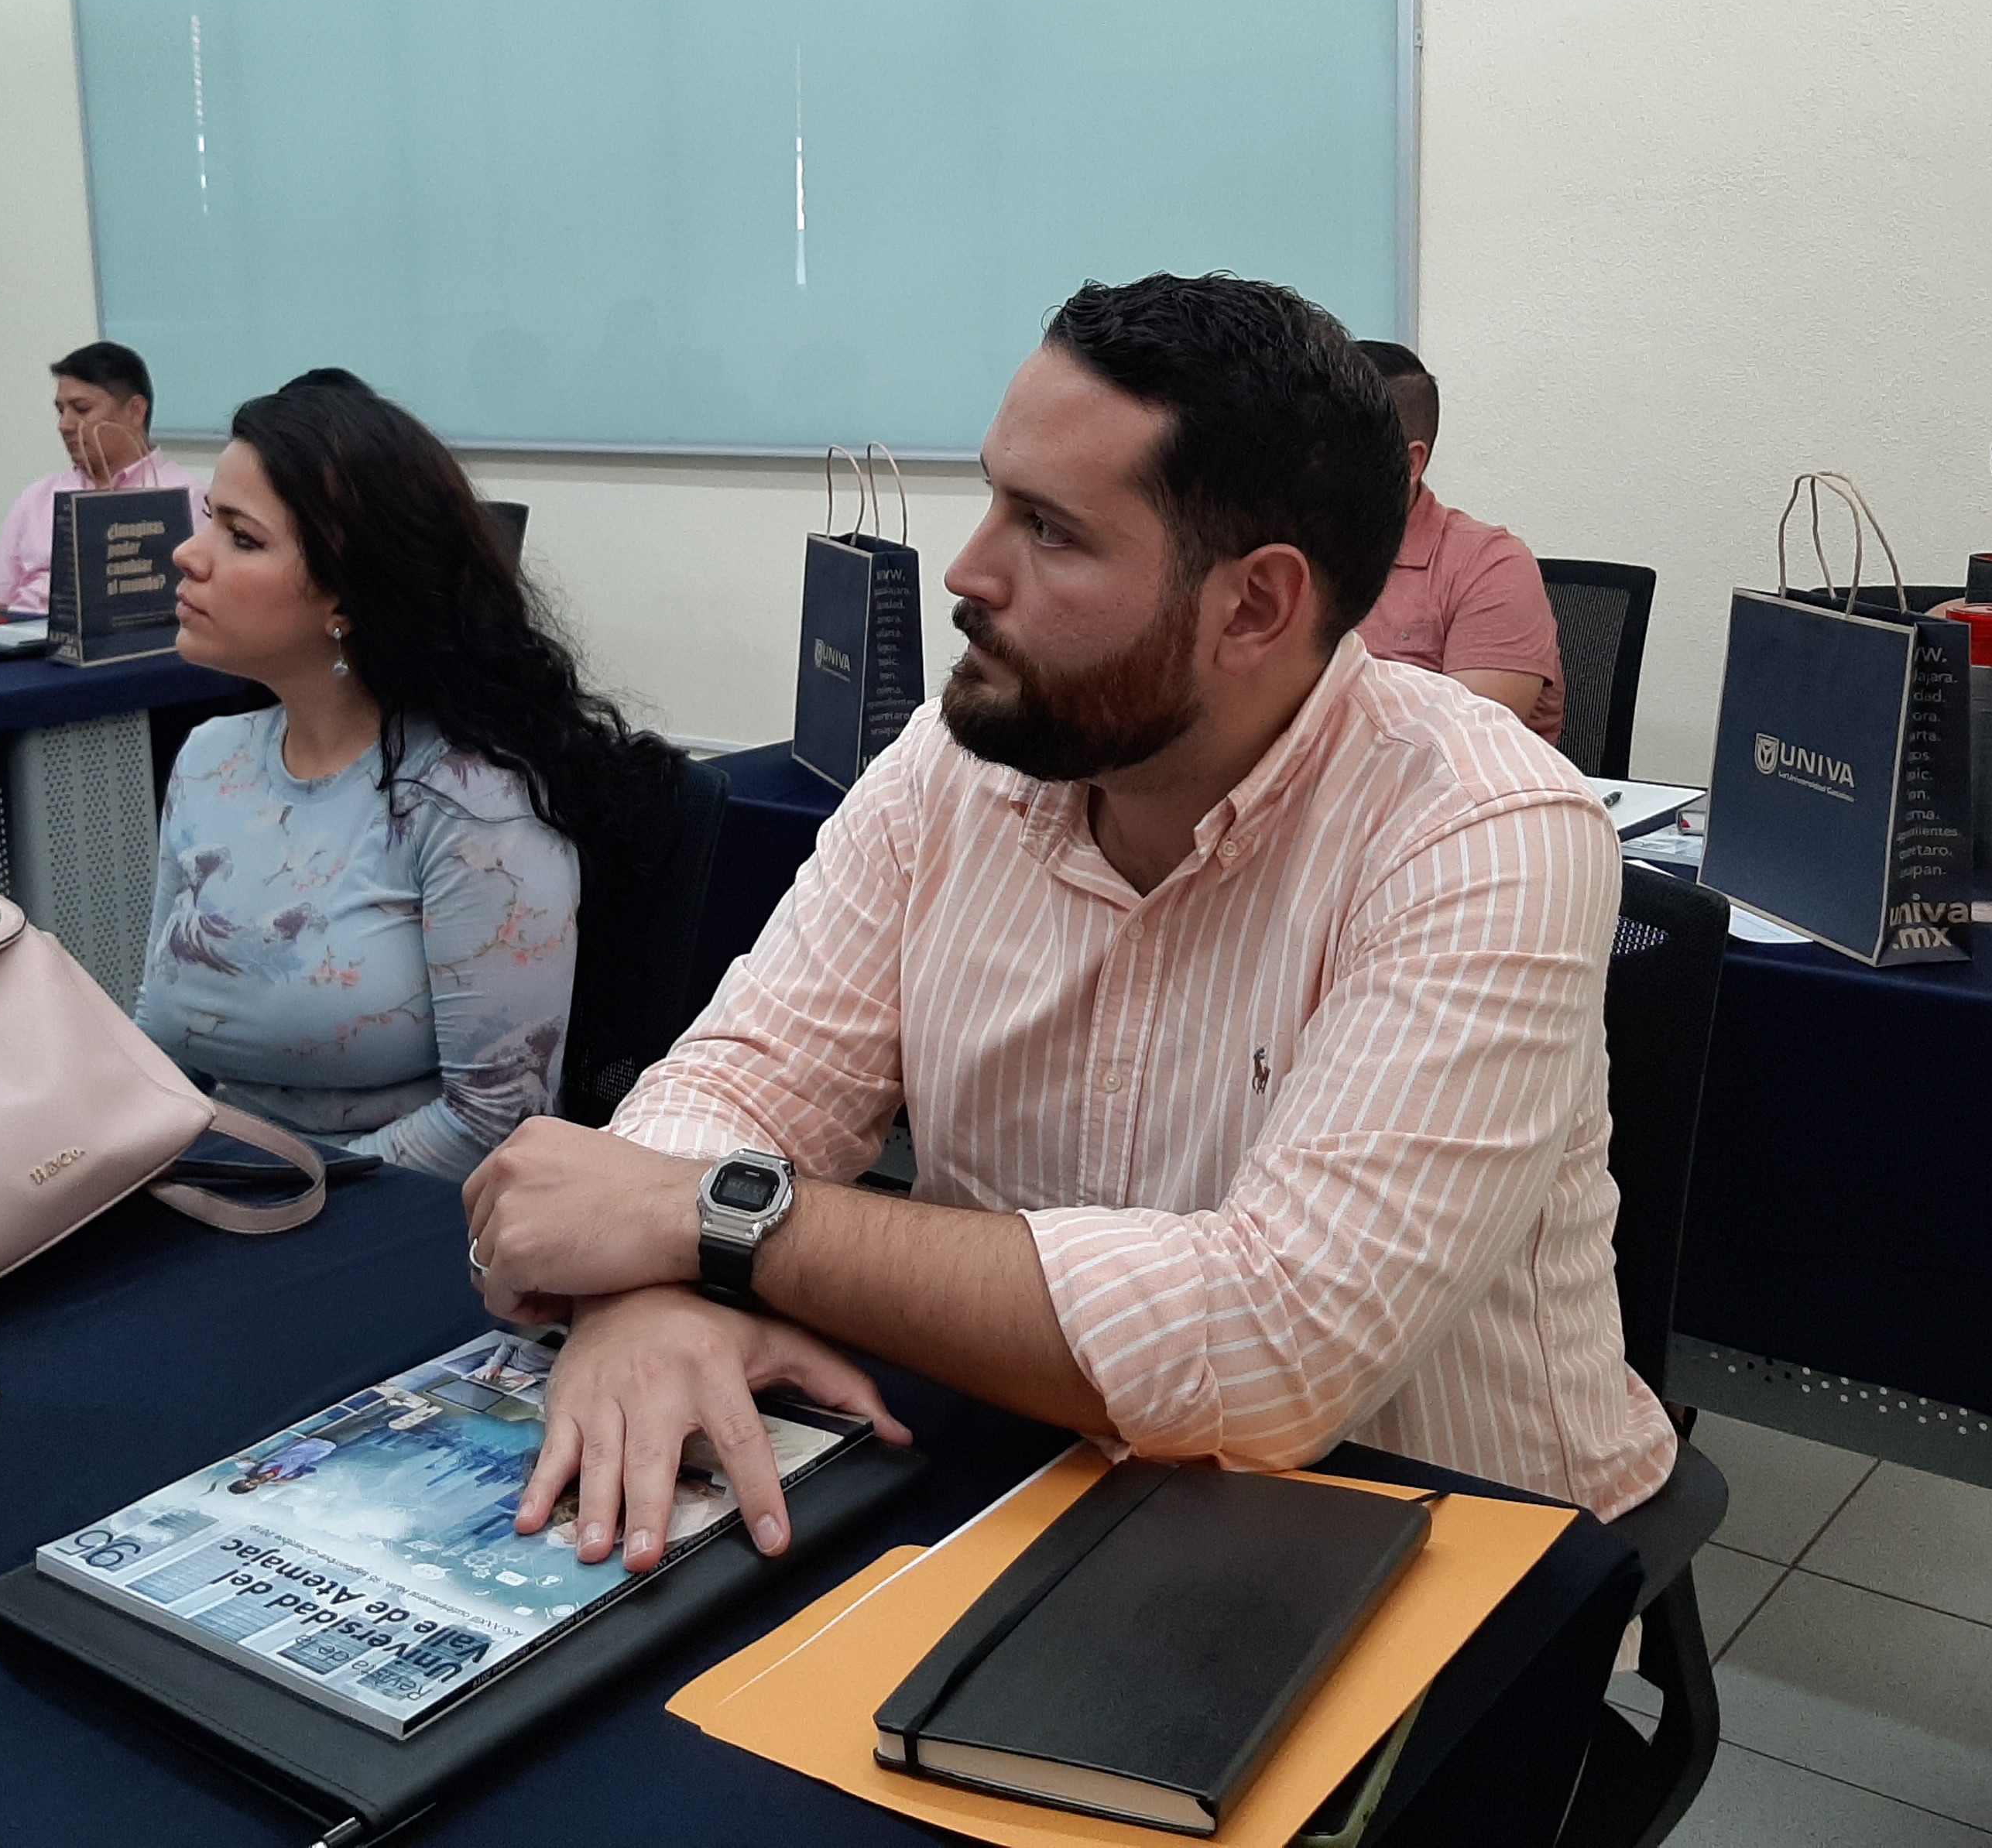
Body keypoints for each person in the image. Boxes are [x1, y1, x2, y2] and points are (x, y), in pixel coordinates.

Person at [461, 273, 1673, 1578]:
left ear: (1255, 607)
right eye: (996, 496)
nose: (967, 571)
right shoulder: (956, 761)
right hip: (1032, 1479)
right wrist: (650, 1296)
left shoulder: (1486, 829)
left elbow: (1273, 1347)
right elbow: (747, 1077)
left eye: (1048, 529)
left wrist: (711, 1222)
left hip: (1433, 1541)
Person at [132, 368, 677, 1178]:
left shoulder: (473, 800)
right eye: (211, 519)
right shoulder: (211, 759)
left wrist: (271, 1187)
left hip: (386, 1215)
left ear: (345, 601)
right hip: (217, 1190)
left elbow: (494, 1120)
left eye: (242, 538)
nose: (187, 553)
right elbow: (160, 1041)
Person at [1346, 341, 1565, 746]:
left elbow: (1464, 747)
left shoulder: (1491, 567)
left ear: (1409, 464)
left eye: (1328, 450)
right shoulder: (1287, 553)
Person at [0, 341, 210, 615]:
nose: (65, 425)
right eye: (61, 411)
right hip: (21, 630)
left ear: (135, 411)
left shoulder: (186, 499)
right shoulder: (40, 496)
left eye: (82, 409)